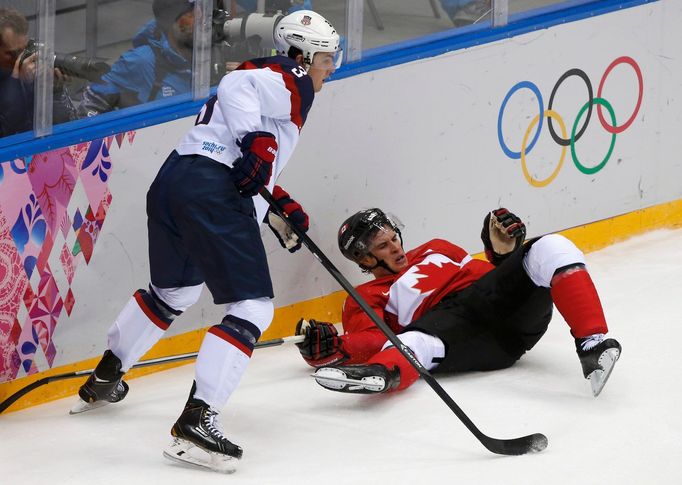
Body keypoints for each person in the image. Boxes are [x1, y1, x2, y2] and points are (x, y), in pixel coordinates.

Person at [72, 9, 341, 473]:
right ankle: (197, 421)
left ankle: (106, 376)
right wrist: (258, 141)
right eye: (324, 58)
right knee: (254, 307)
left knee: (174, 291)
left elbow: (242, 155)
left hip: (178, 181)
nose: (330, 68)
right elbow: (239, 84)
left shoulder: (279, 90)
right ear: (300, 52)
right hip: (211, 189)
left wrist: (277, 200)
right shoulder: (289, 75)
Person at [295, 207, 622, 398]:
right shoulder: (364, 298)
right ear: (365, 258)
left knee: (550, 247)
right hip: (455, 333)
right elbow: (375, 338)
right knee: (412, 341)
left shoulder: (437, 247)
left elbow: (488, 277)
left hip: (509, 319)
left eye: (394, 237)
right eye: (383, 246)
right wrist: (335, 347)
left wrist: (503, 256)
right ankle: (382, 374)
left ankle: (592, 345)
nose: (396, 248)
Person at [78, 0, 195, 117]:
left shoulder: (206, 60)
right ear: (171, 22)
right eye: (191, 15)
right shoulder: (143, 60)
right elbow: (91, 103)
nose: (201, 21)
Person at [0, 8, 76, 137]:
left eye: (24, 50)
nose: (21, 58)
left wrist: (54, 91)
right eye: (12, 53)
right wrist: (16, 80)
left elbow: (66, 125)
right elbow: (5, 134)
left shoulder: (33, 65)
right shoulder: (19, 75)